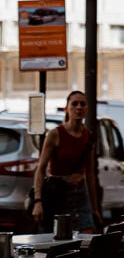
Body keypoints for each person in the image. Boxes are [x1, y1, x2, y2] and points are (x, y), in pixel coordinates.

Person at [32, 89, 101, 233]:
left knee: (87, 238)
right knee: (61, 240)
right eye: (74, 103)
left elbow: (90, 174)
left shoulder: (88, 137)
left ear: (87, 108)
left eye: (83, 104)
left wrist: (94, 208)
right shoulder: (55, 134)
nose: (79, 107)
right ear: (67, 108)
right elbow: (40, 169)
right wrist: (37, 201)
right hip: (58, 194)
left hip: (80, 194)